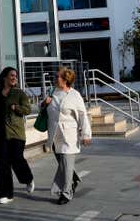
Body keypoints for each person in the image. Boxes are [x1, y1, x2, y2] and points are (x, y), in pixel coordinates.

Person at [42, 67, 91, 205]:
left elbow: (83, 115)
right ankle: (74, 180)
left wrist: (86, 134)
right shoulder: (53, 92)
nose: (55, 78)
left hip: (69, 135)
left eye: (58, 76)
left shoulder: (75, 95)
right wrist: (44, 104)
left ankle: (66, 193)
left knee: (66, 164)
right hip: (54, 135)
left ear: (65, 79)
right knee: (64, 164)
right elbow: (43, 108)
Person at [0, 67, 35, 204]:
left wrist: (16, 108)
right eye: (11, 75)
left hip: (16, 133)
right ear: (4, 77)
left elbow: (28, 110)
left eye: (15, 75)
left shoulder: (19, 93)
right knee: (1, 164)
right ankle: (5, 194)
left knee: (16, 158)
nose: (14, 77)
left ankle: (27, 179)